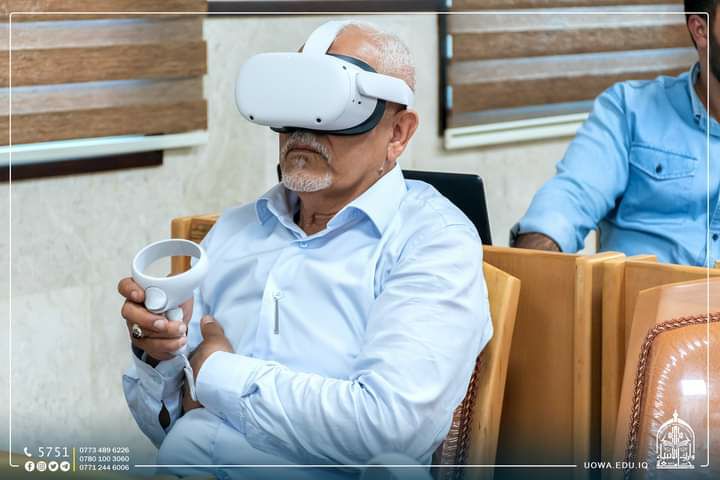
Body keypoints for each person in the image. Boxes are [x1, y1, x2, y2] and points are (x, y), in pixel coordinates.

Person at [118, 21, 492, 479]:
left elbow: (388, 430)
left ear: (398, 133)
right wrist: (157, 355)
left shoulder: (432, 242)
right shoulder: (233, 234)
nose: (303, 129)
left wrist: (216, 372)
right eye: (293, 100)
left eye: (333, 105)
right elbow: (167, 425)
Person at [513, 0, 719, 266]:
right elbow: (569, 201)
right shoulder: (629, 110)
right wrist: (530, 264)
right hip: (640, 291)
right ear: (701, 30)